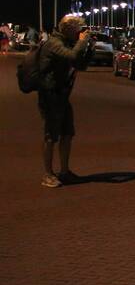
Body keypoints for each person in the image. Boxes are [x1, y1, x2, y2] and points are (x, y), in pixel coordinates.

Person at [37, 15, 93, 187]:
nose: (80, 33)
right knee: (51, 136)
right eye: (79, 30)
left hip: (62, 95)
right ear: (69, 29)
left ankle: (64, 171)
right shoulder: (54, 43)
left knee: (67, 133)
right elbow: (72, 56)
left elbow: (80, 64)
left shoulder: (67, 42)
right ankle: (47, 174)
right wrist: (82, 42)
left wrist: (90, 48)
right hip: (50, 95)